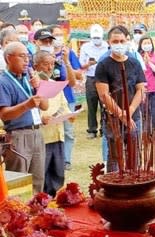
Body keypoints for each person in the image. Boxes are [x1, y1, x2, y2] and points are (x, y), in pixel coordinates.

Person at [94, 26, 145, 172]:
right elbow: (104, 95)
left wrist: (130, 111)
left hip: (134, 117)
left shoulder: (134, 63)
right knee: (114, 157)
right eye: (115, 41)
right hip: (113, 118)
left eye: (122, 40)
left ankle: (134, 186)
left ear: (127, 41)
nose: (119, 44)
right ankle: (114, 189)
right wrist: (122, 115)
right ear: (109, 42)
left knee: (134, 155)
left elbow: (141, 89)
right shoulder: (103, 65)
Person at [0, 42, 49, 193]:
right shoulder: (3, 81)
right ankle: (18, 215)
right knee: (20, 183)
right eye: (22, 56)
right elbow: (4, 114)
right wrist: (27, 105)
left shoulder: (30, 76)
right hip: (18, 135)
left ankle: (38, 214)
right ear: (9, 58)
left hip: (36, 132)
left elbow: (45, 106)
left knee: (38, 180)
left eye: (28, 56)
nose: (26, 60)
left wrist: (39, 87)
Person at [35, 50, 71, 196]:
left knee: (57, 171)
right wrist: (41, 118)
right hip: (41, 137)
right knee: (41, 173)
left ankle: (54, 200)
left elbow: (64, 106)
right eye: (45, 64)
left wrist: (69, 115)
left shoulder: (55, 84)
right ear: (36, 66)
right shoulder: (32, 84)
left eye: (52, 64)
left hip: (57, 134)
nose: (50, 68)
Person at [46, 25, 81, 171]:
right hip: (47, 98)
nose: (59, 38)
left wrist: (66, 62)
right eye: (56, 35)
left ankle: (66, 160)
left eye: (61, 34)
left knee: (67, 131)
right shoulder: (44, 55)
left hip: (67, 97)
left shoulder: (69, 53)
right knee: (49, 131)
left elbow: (77, 76)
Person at [80, 24, 108, 140]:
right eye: (95, 38)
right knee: (91, 105)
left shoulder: (107, 46)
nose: (97, 40)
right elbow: (81, 65)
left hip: (104, 78)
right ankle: (92, 129)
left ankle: (104, 128)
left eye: (99, 38)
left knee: (105, 104)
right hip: (91, 78)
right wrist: (89, 64)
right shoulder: (85, 47)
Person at [138, 36, 155, 130]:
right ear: (140, 45)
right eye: (144, 43)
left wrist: (149, 63)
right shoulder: (137, 57)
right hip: (142, 90)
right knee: (145, 113)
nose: (147, 45)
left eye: (149, 43)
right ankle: (146, 133)